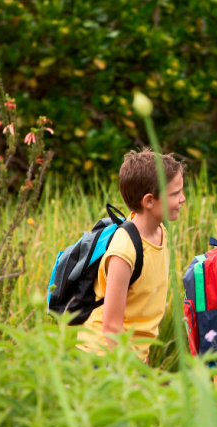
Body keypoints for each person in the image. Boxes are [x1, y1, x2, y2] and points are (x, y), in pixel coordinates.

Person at [78, 148, 186, 362]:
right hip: (104, 356)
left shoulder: (159, 230)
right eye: (175, 194)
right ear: (148, 201)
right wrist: (134, 371)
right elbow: (111, 326)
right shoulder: (124, 251)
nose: (182, 199)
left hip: (131, 353)